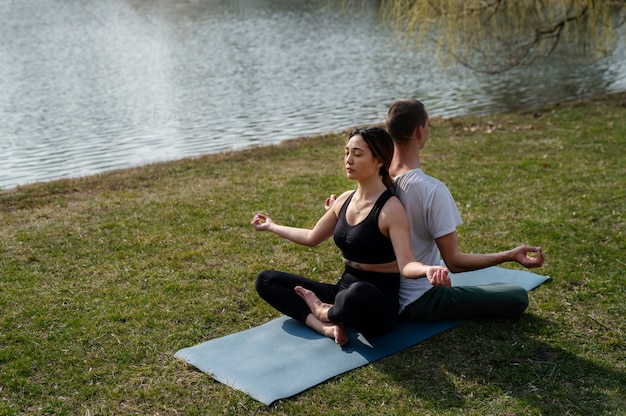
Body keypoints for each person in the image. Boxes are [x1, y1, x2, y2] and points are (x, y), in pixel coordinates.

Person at [326, 99, 545, 322]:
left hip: (375, 293)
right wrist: (509, 255)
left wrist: (338, 207)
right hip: (417, 299)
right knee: (517, 296)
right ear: (420, 131)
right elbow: (454, 262)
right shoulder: (431, 190)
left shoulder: (376, 176)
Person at [251, 126, 450, 346]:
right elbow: (311, 237)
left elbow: (406, 264)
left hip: (376, 307)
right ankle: (326, 326)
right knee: (266, 280)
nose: (348, 160)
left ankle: (325, 312)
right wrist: (272, 226)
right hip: (342, 292)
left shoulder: (390, 209)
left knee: (356, 293)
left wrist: (427, 270)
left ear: (380, 161)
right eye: (347, 153)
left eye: (357, 154)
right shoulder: (345, 200)